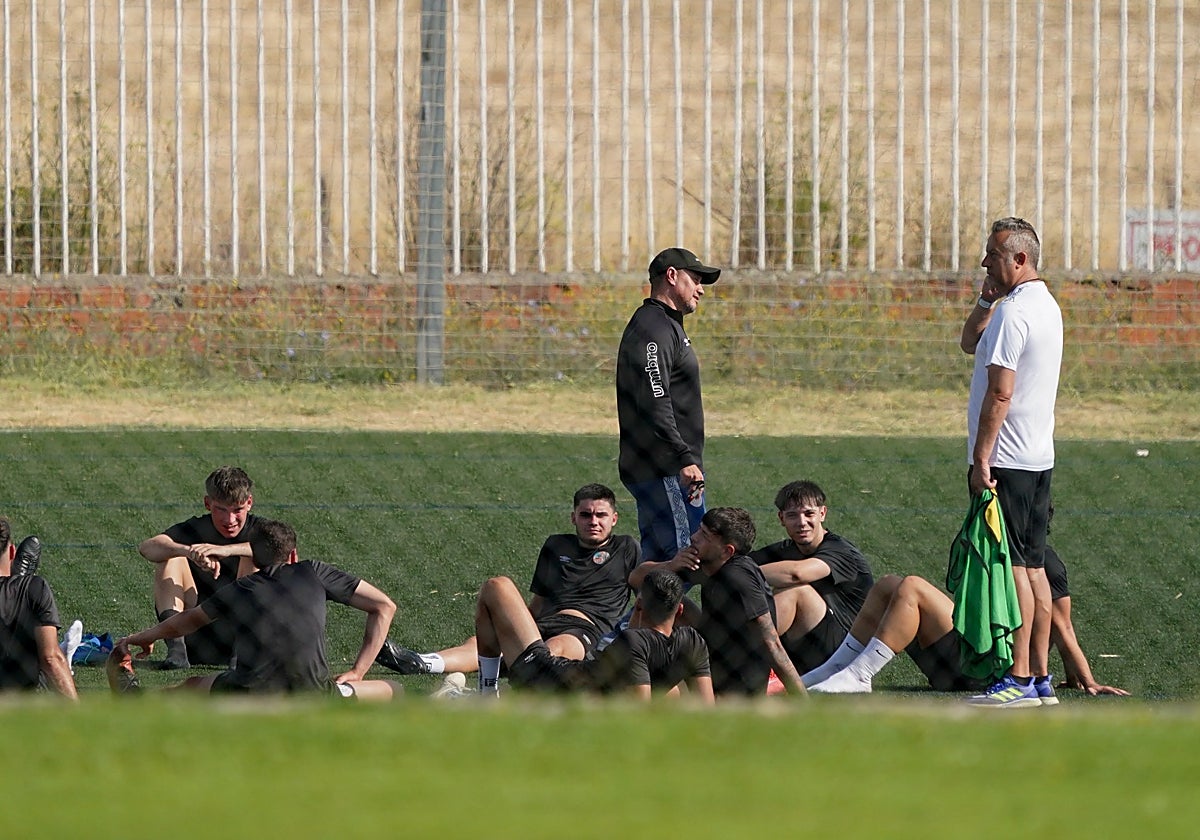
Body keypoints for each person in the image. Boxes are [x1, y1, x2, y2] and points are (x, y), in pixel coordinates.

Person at [109, 518, 401, 700]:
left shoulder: (242, 588)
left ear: (254, 557)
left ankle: (140, 703)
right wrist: (357, 670)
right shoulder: (314, 572)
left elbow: (184, 623)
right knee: (394, 691)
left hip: (249, 692)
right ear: (294, 555)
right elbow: (384, 606)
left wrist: (141, 637)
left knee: (192, 686)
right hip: (313, 693)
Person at [374, 484, 640, 683]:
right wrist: (513, 627)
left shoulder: (627, 548)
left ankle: (506, 689)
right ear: (573, 517)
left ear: (614, 519)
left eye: (601, 515)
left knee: (553, 651)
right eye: (586, 514)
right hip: (542, 623)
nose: (593, 521)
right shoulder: (556, 544)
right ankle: (421, 662)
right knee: (481, 634)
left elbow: (645, 595)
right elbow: (539, 601)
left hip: (583, 631)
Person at [959, 217, 1062, 708]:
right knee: (1035, 568)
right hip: (1039, 456)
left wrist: (982, 458)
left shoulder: (1013, 314)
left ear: (1019, 259)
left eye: (992, 255)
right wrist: (985, 298)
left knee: (1015, 570)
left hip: (1008, 461)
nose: (984, 262)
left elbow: (1000, 393)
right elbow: (967, 344)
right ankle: (1040, 677)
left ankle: (1018, 678)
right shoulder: (1044, 306)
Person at [804, 545, 1127, 698]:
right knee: (889, 584)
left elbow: (1061, 624)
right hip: (963, 657)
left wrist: (1086, 679)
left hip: (987, 671)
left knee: (913, 586)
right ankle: (838, 668)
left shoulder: (1043, 564)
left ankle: (860, 676)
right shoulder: (1000, 548)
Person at [615, 247, 720, 565]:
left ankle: (639, 617)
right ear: (672, 276)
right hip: (665, 467)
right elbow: (654, 399)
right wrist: (683, 458)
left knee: (660, 560)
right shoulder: (654, 328)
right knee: (687, 557)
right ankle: (628, 619)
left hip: (666, 465)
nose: (701, 289)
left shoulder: (665, 325)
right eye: (696, 279)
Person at [632, 507, 806, 698]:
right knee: (656, 594)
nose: (694, 537)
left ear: (727, 550)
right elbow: (636, 578)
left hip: (734, 689)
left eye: (705, 535)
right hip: (709, 658)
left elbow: (772, 643)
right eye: (699, 529)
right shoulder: (705, 564)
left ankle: (635, 669)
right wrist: (671, 565)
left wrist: (803, 702)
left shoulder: (738, 580)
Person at [473, 569, 713, 701]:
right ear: (679, 609)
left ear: (639, 605)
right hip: (585, 684)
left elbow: (640, 715)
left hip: (547, 677)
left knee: (497, 586)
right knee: (672, 694)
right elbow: (708, 710)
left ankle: (486, 695)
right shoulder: (693, 641)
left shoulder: (634, 641)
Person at [138, 466, 263, 669]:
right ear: (207, 504)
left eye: (237, 510)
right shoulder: (197, 528)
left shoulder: (261, 530)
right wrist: (190, 552)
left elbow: (285, 553)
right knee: (170, 557)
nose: (229, 520)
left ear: (249, 503)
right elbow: (147, 548)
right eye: (221, 509)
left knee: (256, 556)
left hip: (247, 635)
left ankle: (241, 655)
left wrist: (227, 550)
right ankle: (177, 653)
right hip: (195, 632)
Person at [750, 480, 874, 674]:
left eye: (809, 514)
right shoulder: (786, 549)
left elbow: (797, 573)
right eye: (792, 515)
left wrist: (740, 574)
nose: (801, 522)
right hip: (807, 649)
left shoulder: (841, 551)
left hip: (844, 653)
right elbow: (740, 562)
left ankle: (743, 659)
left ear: (822, 513)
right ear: (781, 518)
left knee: (795, 590)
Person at [0, 516, 77, 699]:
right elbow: (50, 659)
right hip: (22, 702)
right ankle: (18, 581)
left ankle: (15, 583)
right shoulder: (37, 587)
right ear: (12, 552)